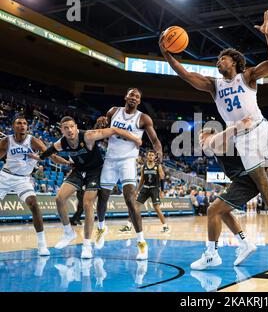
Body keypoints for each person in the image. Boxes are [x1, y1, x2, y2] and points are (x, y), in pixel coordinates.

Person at [159, 11, 268, 243]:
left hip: (262, 130)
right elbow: (184, 74)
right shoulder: (213, 86)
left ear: (233, 61)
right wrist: (166, 53)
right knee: (262, 184)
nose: (218, 61)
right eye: (217, 60)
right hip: (242, 139)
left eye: (222, 58)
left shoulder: (248, 76)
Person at [33, 116, 142, 259]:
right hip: (78, 171)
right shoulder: (62, 143)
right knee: (59, 198)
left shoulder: (89, 136)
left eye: (72, 126)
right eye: (66, 128)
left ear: (76, 127)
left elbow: (114, 129)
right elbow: (48, 152)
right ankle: (68, 232)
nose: (69, 130)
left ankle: (87, 245)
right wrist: (39, 157)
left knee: (87, 204)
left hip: (95, 172)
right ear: (62, 130)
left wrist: (135, 139)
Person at [191, 121, 268, 270]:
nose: (202, 141)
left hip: (245, 181)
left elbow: (224, 134)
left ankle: (211, 254)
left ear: (212, 135)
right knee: (222, 211)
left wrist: (236, 127)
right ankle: (245, 244)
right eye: (200, 139)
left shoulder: (218, 143)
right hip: (244, 180)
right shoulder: (220, 147)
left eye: (203, 137)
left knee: (212, 210)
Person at [95, 88, 163, 260]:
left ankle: (141, 242)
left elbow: (154, 140)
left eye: (137, 96)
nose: (134, 98)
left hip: (127, 161)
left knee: (130, 199)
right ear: (125, 97)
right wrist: (99, 123)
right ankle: (101, 228)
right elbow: (100, 130)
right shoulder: (113, 112)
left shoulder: (143, 118)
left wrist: (159, 154)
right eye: (131, 95)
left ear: (139, 101)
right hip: (110, 159)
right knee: (102, 196)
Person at [0, 115, 70, 256]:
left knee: (33, 203)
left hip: (23, 179)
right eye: (19, 123)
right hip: (5, 176)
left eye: (25, 123)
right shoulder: (6, 141)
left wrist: (69, 163)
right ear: (13, 126)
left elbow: (52, 156)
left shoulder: (34, 141)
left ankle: (42, 244)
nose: (22, 126)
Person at [119, 150, 169, 233]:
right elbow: (142, 180)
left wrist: (162, 191)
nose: (151, 156)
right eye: (149, 155)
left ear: (154, 157)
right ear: (147, 156)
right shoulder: (143, 167)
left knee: (157, 208)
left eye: (152, 155)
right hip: (145, 188)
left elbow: (162, 178)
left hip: (154, 189)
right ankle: (128, 226)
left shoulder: (158, 166)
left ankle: (165, 226)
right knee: (135, 207)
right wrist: (137, 190)